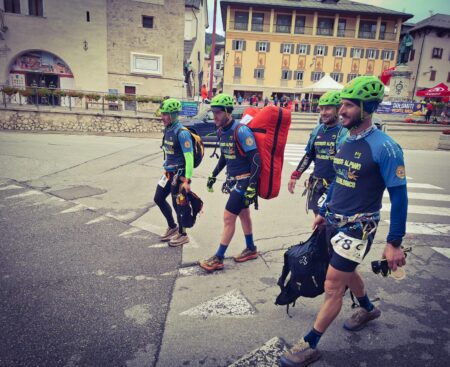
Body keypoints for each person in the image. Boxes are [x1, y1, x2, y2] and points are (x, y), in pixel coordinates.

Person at [281, 76, 408, 367]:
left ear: (368, 108)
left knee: (333, 285)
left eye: (349, 105)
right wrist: (324, 211)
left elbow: (400, 198)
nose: (341, 111)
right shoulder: (346, 139)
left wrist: (394, 243)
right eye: (342, 104)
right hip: (334, 221)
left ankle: (309, 343)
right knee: (345, 272)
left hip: (359, 226)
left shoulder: (386, 148)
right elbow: (339, 181)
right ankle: (367, 308)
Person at [199, 93, 261, 272]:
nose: (214, 116)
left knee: (228, 217)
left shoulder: (240, 131)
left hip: (244, 182)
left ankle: (218, 258)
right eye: (213, 112)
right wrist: (213, 174)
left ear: (227, 112)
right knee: (244, 215)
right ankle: (251, 248)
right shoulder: (221, 131)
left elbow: (256, 160)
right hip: (234, 181)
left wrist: (252, 186)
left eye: (218, 112)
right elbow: (226, 157)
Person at [288, 91, 347, 216]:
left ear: (338, 109)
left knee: (331, 224)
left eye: (328, 108)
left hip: (335, 186)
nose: (323, 113)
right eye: (321, 109)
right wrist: (295, 175)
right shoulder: (317, 130)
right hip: (317, 184)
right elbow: (309, 155)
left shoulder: (344, 131)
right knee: (318, 222)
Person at [154, 98, 194, 247]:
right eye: (162, 113)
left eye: (165, 114)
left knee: (179, 205)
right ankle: (172, 227)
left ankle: (183, 235)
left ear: (173, 114)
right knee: (158, 198)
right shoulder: (168, 129)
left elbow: (189, 158)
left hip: (180, 174)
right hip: (168, 173)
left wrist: (187, 180)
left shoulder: (182, 133)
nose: (161, 117)